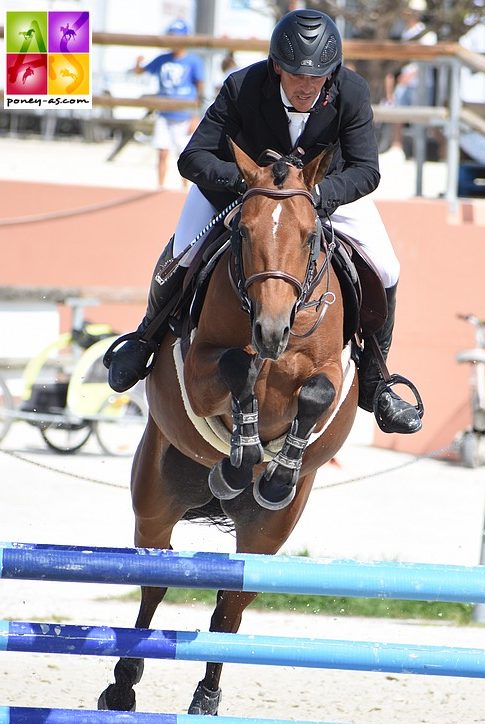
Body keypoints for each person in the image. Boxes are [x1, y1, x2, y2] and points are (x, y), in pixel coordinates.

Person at [106, 9, 422, 435]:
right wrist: (247, 184)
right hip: (242, 193)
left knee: (387, 265)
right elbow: (192, 157)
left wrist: (317, 197)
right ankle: (145, 338)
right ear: (277, 67)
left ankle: (376, 378)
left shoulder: (352, 91)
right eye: (296, 76)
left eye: (317, 77)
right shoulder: (243, 86)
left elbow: (366, 170)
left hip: (320, 195)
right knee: (184, 249)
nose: (307, 86)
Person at [133, 19, 205, 188]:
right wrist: (137, 62)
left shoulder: (193, 61)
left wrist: (196, 116)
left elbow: (200, 90)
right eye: (171, 37)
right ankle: (160, 187)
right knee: (162, 152)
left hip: (184, 115)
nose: (174, 41)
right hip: (164, 114)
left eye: (178, 37)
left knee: (185, 155)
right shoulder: (163, 59)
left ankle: (184, 188)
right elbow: (140, 71)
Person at [385, 0, 437, 154]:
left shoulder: (428, 34)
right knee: (397, 113)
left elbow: (428, 60)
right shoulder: (404, 31)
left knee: (424, 119)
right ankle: (397, 146)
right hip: (405, 81)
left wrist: (411, 74)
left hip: (422, 82)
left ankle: (429, 150)